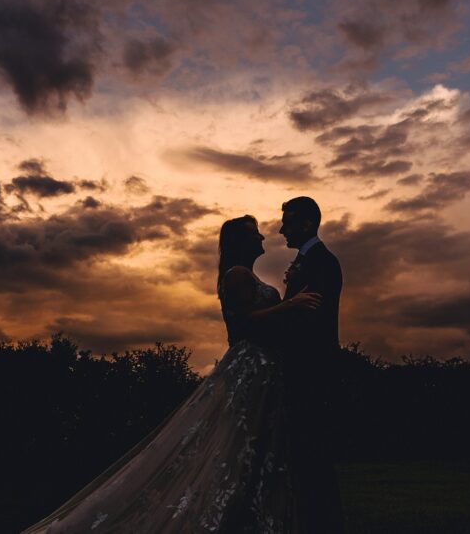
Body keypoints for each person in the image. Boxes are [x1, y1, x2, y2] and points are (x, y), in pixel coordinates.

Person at [20, 215, 321, 533]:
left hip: (263, 369)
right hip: (248, 368)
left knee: (254, 446)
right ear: (239, 242)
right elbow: (245, 322)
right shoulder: (236, 275)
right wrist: (290, 305)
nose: (261, 237)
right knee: (237, 444)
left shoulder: (247, 275)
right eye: (253, 234)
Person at [278, 196, 345, 533]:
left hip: (310, 369)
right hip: (303, 369)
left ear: (306, 224)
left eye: (287, 222)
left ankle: (323, 520)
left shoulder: (321, 262)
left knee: (313, 448)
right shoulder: (308, 261)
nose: (280, 229)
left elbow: (309, 320)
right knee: (304, 449)